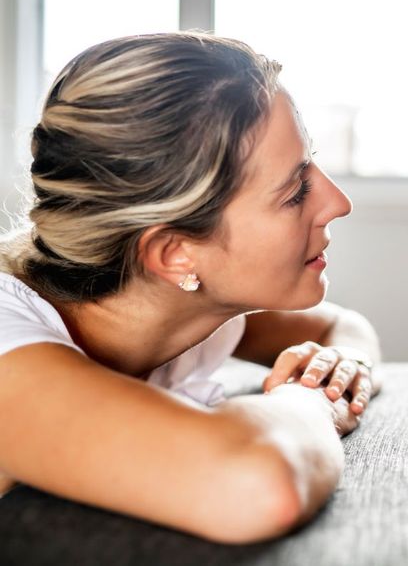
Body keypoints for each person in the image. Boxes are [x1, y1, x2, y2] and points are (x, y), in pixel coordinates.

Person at [0, 32, 382, 543]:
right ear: (174, 254)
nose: (337, 202)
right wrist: (312, 400)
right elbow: (259, 485)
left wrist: (341, 367)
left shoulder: (178, 308)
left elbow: (341, 325)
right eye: (295, 193)